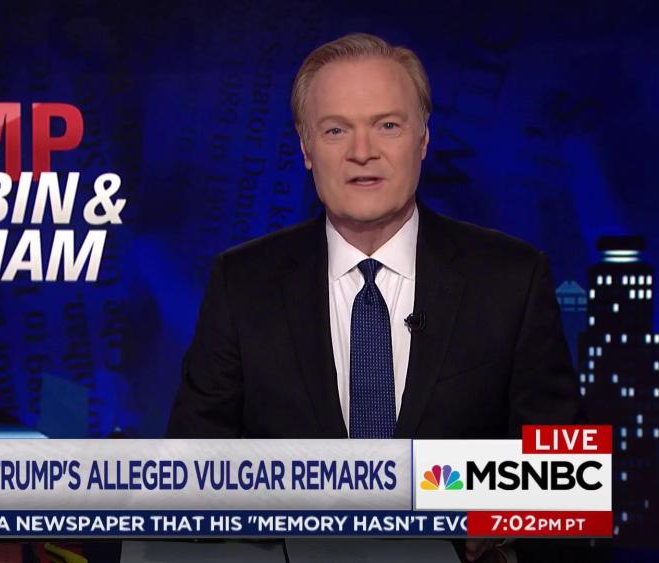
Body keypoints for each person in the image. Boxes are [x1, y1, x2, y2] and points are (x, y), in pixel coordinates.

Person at [166, 33, 581, 562]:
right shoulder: (243, 282)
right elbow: (189, 478)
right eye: (336, 130)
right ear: (306, 148)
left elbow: (562, 478)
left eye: (387, 125)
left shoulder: (512, 278)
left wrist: (492, 515)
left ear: (423, 139)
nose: (362, 152)